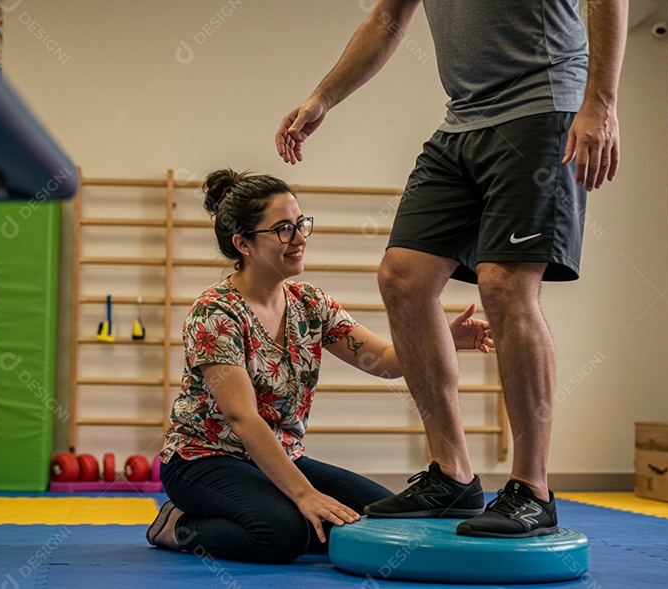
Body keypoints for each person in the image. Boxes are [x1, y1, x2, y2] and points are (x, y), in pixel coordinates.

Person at [276, 0, 626, 537]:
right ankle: (452, 475)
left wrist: (599, 101)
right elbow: (383, 23)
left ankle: (532, 489)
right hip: (463, 121)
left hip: (545, 106)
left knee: (505, 285)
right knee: (402, 277)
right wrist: (324, 97)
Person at [146, 169, 496, 563]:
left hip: (280, 455)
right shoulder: (215, 312)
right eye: (282, 229)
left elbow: (383, 361)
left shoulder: (310, 303)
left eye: (300, 224)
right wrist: (304, 494)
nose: (299, 239)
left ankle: (286, 512)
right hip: (204, 459)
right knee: (280, 535)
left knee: (381, 520)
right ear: (242, 243)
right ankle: (177, 525)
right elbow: (242, 418)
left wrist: (445, 338)